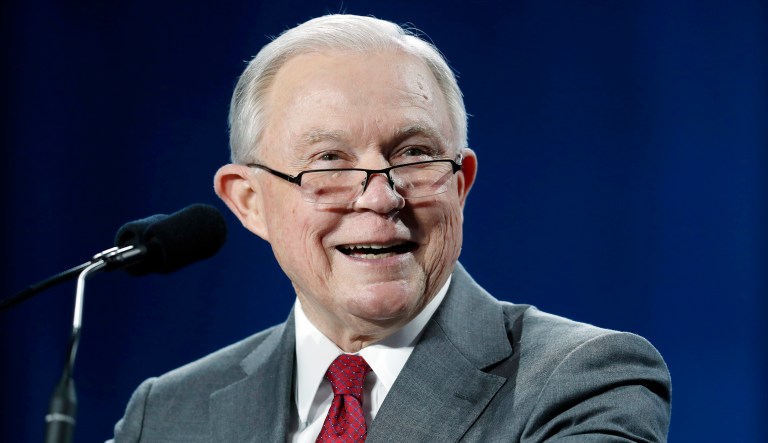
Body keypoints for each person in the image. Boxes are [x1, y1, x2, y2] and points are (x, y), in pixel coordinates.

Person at [110, 14, 671, 442]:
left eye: (415, 154)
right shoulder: (167, 414)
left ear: (460, 184)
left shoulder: (584, 381)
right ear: (249, 201)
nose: (381, 198)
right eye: (329, 161)